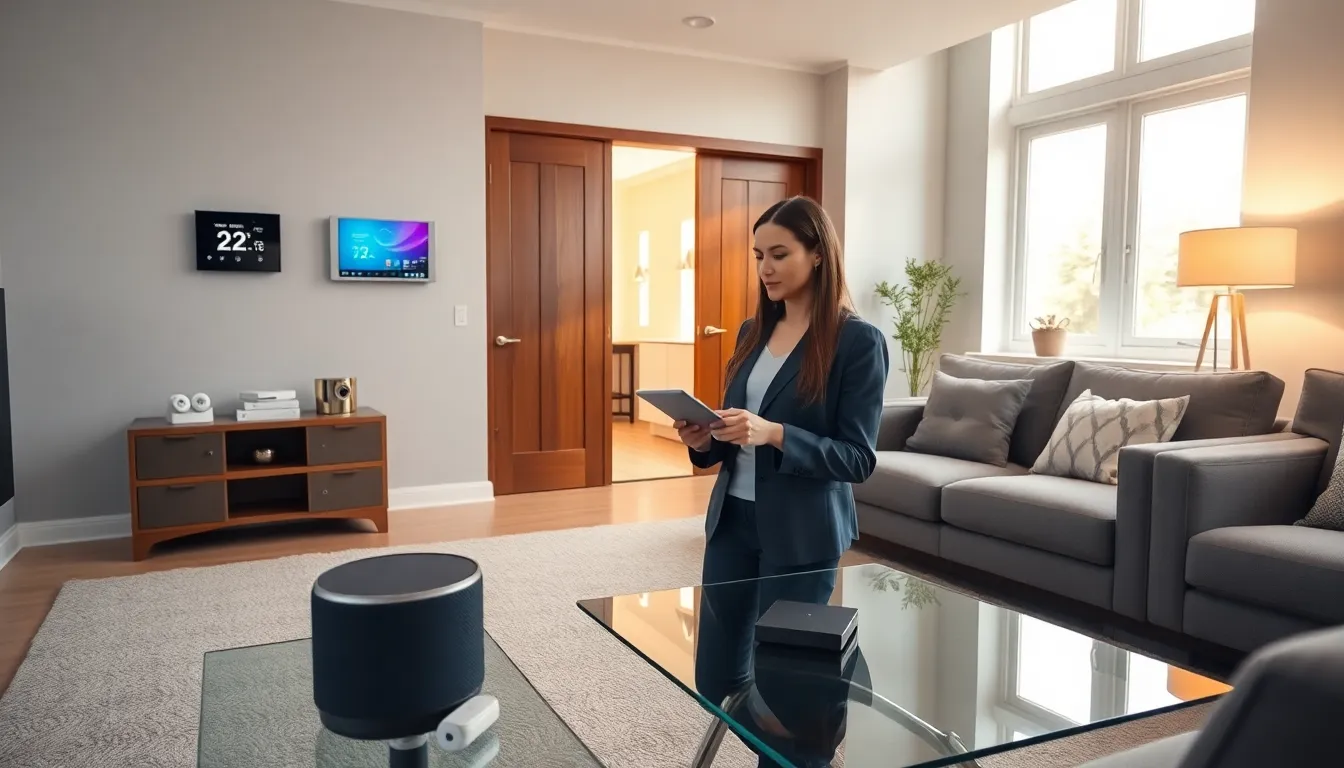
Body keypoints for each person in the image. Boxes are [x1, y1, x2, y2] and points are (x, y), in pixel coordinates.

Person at [674, 195, 889, 743]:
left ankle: (801, 748)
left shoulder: (857, 342)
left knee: (785, 686)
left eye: (779, 254)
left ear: (817, 254)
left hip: (802, 530)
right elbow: (735, 431)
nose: (765, 268)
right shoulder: (752, 332)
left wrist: (774, 433)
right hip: (733, 523)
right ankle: (805, 742)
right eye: (758, 256)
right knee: (715, 679)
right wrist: (705, 439)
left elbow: (858, 458)